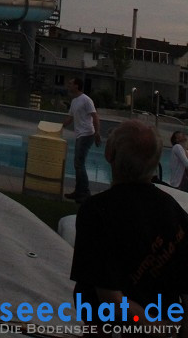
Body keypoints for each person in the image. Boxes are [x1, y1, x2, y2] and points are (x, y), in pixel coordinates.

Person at [70, 120, 188, 328]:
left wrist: (158, 332)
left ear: (109, 155)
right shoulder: (174, 210)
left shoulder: (96, 211)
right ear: (155, 162)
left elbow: (113, 303)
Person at [61, 78, 101, 203]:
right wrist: (59, 127)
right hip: (80, 135)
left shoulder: (86, 100)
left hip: (87, 134)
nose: (69, 85)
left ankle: (84, 192)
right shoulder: (74, 101)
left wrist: (97, 133)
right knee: (78, 164)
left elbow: (95, 116)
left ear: (77, 86)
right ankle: (79, 192)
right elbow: (70, 118)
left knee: (79, 163)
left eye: (71, 83)